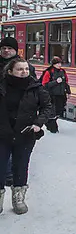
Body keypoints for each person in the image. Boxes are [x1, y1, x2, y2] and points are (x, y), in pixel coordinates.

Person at [0, 57, 53, 214]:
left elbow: (47, 107)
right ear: (10, 71)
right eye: (19, 69)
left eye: (26, 69)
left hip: (25, 133)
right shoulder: (2, 86)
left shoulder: (36, 88)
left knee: (21, 166)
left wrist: (38, 123)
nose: (24, 72)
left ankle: (19, 199)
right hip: (2, 133)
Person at [0, 37, 36, 187]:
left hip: (20, 116)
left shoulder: (25, 66)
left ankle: (13, 179)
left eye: (10, 48)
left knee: (18, 153)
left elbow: (36, 90)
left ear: (16, 50)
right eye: (3, 48)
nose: (6, 51)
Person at [41, 56, 71, 133]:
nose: (59, 65)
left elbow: (66, 82)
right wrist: (56, 82)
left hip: (61, 95)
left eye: (60, 63)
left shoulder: (63, 72)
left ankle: (49, 123)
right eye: (57, 63)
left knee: (59, 111)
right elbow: (45, 84)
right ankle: (53, 128)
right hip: (51, 96)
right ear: (53, 64)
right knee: (52, 112)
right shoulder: (49, 72)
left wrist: (68, 92)